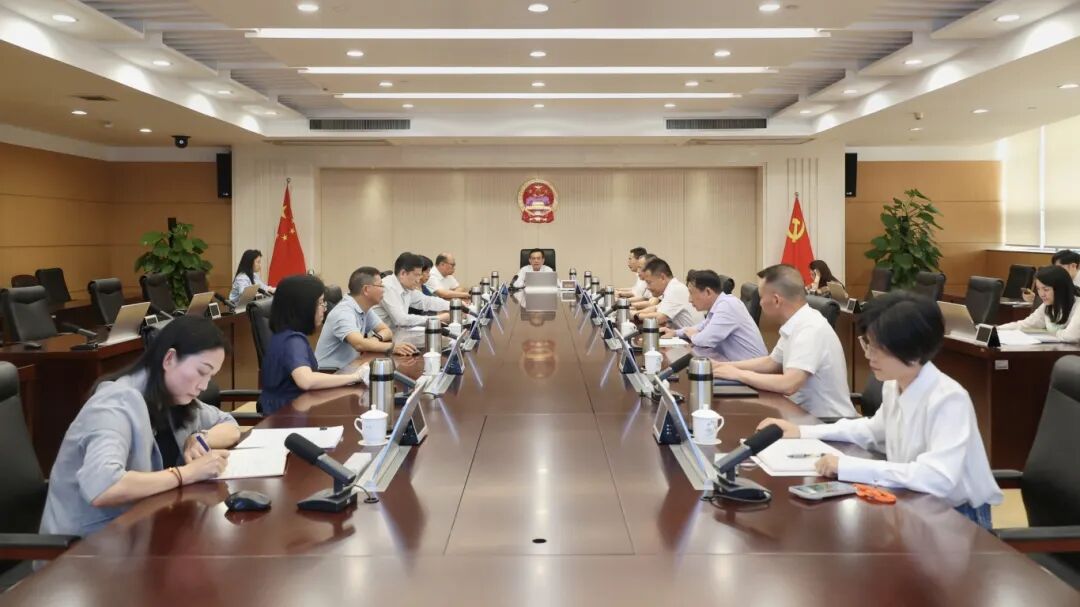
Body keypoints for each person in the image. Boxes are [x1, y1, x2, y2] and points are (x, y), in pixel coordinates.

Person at [756, 292, 1003, 529]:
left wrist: (849, 466)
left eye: (879, 349)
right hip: (914, 501)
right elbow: (871, 430)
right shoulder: (895, 385)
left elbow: (936, 477)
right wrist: (802, 431)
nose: (869, 357)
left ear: (914, 351)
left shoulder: (949, 399)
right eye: (868, 344)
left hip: (957, 516)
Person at [39, 316, 240, 538]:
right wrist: (186, 474)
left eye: (210, 376)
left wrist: (201, 438)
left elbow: (229, 425)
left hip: (142, 529)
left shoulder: (173, 398)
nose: (204, 385)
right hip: (88, 546)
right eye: (202, 371)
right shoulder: (115, 403)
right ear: (169, 359)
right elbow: (103, 487)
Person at [712, 264, 856, 418]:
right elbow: (771, 363)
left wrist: (738, 374)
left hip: (826, 422)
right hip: (799, 414)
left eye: (761, 297)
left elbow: (789, 384)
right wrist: (723, 366)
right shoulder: (796, 322)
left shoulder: (810, 328)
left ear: (776, 300)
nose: (759, 303)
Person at [258, 274, 366, 414]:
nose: (324, 308)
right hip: (286, 416)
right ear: (304, 307)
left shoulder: (284, 335)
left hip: (293, 409)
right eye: (320, 303)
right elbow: (306, 380)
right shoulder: (292, 340)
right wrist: (355, 377)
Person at [315, 267, 419, 369]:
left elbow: (386, 331)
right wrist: (392, 347)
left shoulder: (364, 308)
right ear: (366, 289)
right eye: (380, 286)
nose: (384, 290)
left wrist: (375, 339)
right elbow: (359, 344)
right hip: (330, 373)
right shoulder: (343, 312)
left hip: (350, 368)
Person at [661, 269, 767, 361]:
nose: (689, 299)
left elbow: (704, 340)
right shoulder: (719, 305)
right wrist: (675, 332)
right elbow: (701, 326)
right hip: (734, 364)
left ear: (708, 292)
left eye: (691, 293)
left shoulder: (728, 305)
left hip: (752, 371)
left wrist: (692, 335)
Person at [999, 265, 1080, 343]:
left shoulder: (1078, 305)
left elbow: (1071, 336)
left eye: (1046, 289)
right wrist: (997, 329)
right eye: (1038, 289)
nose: (1041, 294)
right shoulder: (1047, 305)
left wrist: (1050, 334)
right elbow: (1026, 324)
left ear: (1060, 288)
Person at [373, 252, 451, 329]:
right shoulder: (387, 287)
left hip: (396, 333)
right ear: (403, 273)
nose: (418, 280)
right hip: (380, 335)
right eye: (416, 275)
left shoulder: (406, 287)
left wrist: (453, 305)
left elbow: (426, 301)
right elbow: (401, 320)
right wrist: (437, 318)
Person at [633, 257, 701, 329]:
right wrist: (634, 313)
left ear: (662, 278)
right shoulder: (671, 287)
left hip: (691, 336)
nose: (647, 287)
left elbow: (659, 318)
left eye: (649, 282)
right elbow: (655, 308)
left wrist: (636, 316)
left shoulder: (675, 289)